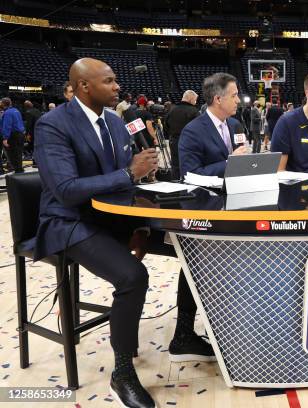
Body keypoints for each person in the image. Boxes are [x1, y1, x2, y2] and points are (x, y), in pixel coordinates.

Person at [32, 58, 215, 408]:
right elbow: (67, 189)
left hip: (114, 218)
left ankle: (184, 335)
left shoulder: (117, 126)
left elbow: (128, 185)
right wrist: (130, 175)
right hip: (69, 221)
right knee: (133, 276)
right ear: (85, 86)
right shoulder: (52, 125)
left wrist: (142, 223)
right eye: (110, 81)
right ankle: (122, 371)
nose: (118, 87)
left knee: (193, 246)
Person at [179, 73, 249, 178]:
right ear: (218, 99)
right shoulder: (192, 131)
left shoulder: (235, 125)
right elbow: (190, 174)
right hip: (209, 193)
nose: (238, 100)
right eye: (234, 95)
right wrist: (229, 163)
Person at [165, 90, 199, 180]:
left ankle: (175, 186)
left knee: (175, 165)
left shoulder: (172, 110)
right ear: (191, 99)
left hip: (174, 141)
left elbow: (166, 126)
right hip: (189, 143)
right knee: (190, 165)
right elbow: (200, 130)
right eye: (195, 100)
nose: (195, 102)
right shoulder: (194, 111)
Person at [0, 97, 25, 173]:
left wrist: (5, 138)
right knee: (19, 153)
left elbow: (7, 126)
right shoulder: (16, 110)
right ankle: (20, 169)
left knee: (12, 154)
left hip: (13, 135)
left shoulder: (7, 113)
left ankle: (17, 170)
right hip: (21, 134)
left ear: (3, 104)